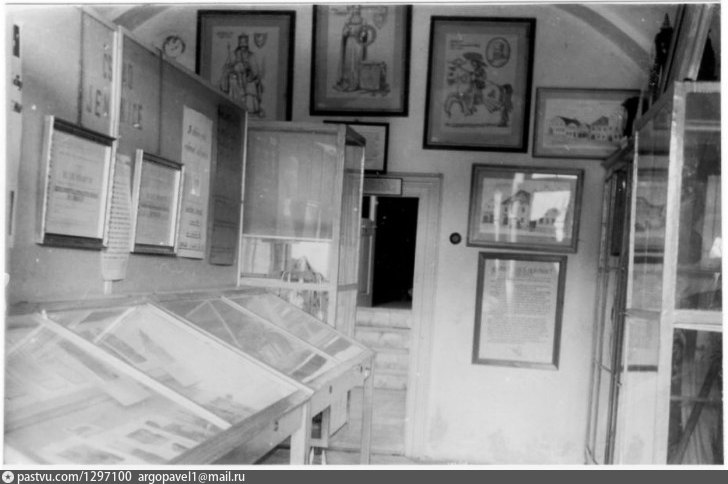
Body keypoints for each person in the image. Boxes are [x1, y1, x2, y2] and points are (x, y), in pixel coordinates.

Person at [219, 33, 264, 116]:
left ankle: (250, 108)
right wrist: (232, 69)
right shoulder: (233, 54)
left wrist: (249, 74)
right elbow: (227, 67)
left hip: (248, 78)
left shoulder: (251, 56)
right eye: (241, 46)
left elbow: (255, 71)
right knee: (233, 81)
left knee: (251, 85)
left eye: (244, 46)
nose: (242, 49)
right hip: (236, 78)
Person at [334, 6, 376, 92]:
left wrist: (362, 34)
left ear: (360, 10)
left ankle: (357, 83)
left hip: (358, 44)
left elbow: (365, 32)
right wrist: (347, 32)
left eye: (358, 9)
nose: (356, 10)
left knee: (357, 61)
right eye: (354, 9)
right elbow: (344, 33)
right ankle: (348, 82)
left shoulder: (363, 20)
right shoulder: (348, 20)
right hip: (349, 43)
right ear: (352, 10)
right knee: (349, 62)